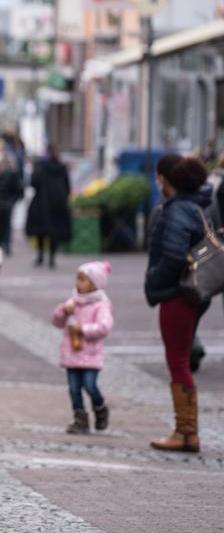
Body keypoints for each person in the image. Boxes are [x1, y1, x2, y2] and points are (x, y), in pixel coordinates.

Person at [145, 156, 211, 453]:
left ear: (165, 180)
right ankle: (185, 430)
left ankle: (186, 432)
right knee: (180, 360)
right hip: (189, 294)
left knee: (178, 362)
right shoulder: (195, 207)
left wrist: (155, 281)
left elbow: (172, 256)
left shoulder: (176, 212)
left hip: (177, 294)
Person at [51, 262, 114, 434]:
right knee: (73, 388)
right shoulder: (73, 302)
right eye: (77, 279)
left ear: (95, 283)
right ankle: (80, 419)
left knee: (90, 385)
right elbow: (56, 321)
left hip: (90, 354)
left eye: (83, 280)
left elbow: (104, 327)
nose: (78, 283)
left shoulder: (101, 304)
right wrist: (64, 310)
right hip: (71, 353)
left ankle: (100, 408)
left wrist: (83, 330)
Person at [25, 144, 72, 268]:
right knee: (54, 231)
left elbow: (33, 183)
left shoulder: (40, 166)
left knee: (41, 231)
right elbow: (67, 186)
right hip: (58, 203)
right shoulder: (61, 167)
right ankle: (52, 257)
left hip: (42, 202)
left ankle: (40, 256)